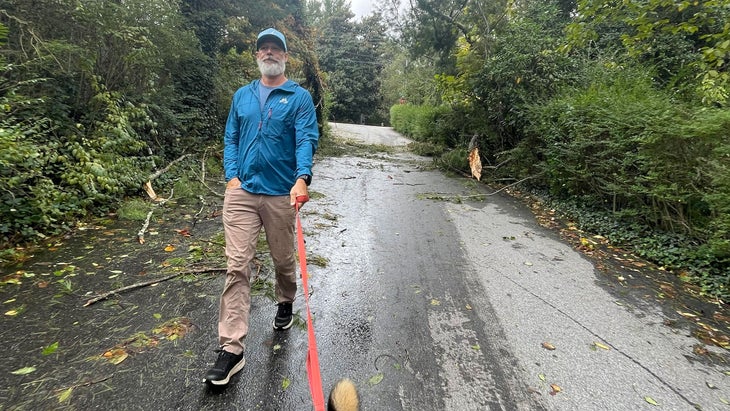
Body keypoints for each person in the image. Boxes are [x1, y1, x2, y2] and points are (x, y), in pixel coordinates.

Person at [204, 27, 319, 386]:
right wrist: (231, 175)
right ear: (257, 56)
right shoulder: (243, 96)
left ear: (285, 57)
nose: (269, 53)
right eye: (263, 48)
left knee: (283, 260)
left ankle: (285, 300)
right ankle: (232, 350)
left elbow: (306, 138)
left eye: (276, 49)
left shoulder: (298, 98)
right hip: (242, 193)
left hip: (281, 194)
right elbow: (231, 137)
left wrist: (302, 177)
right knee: (237, 266)